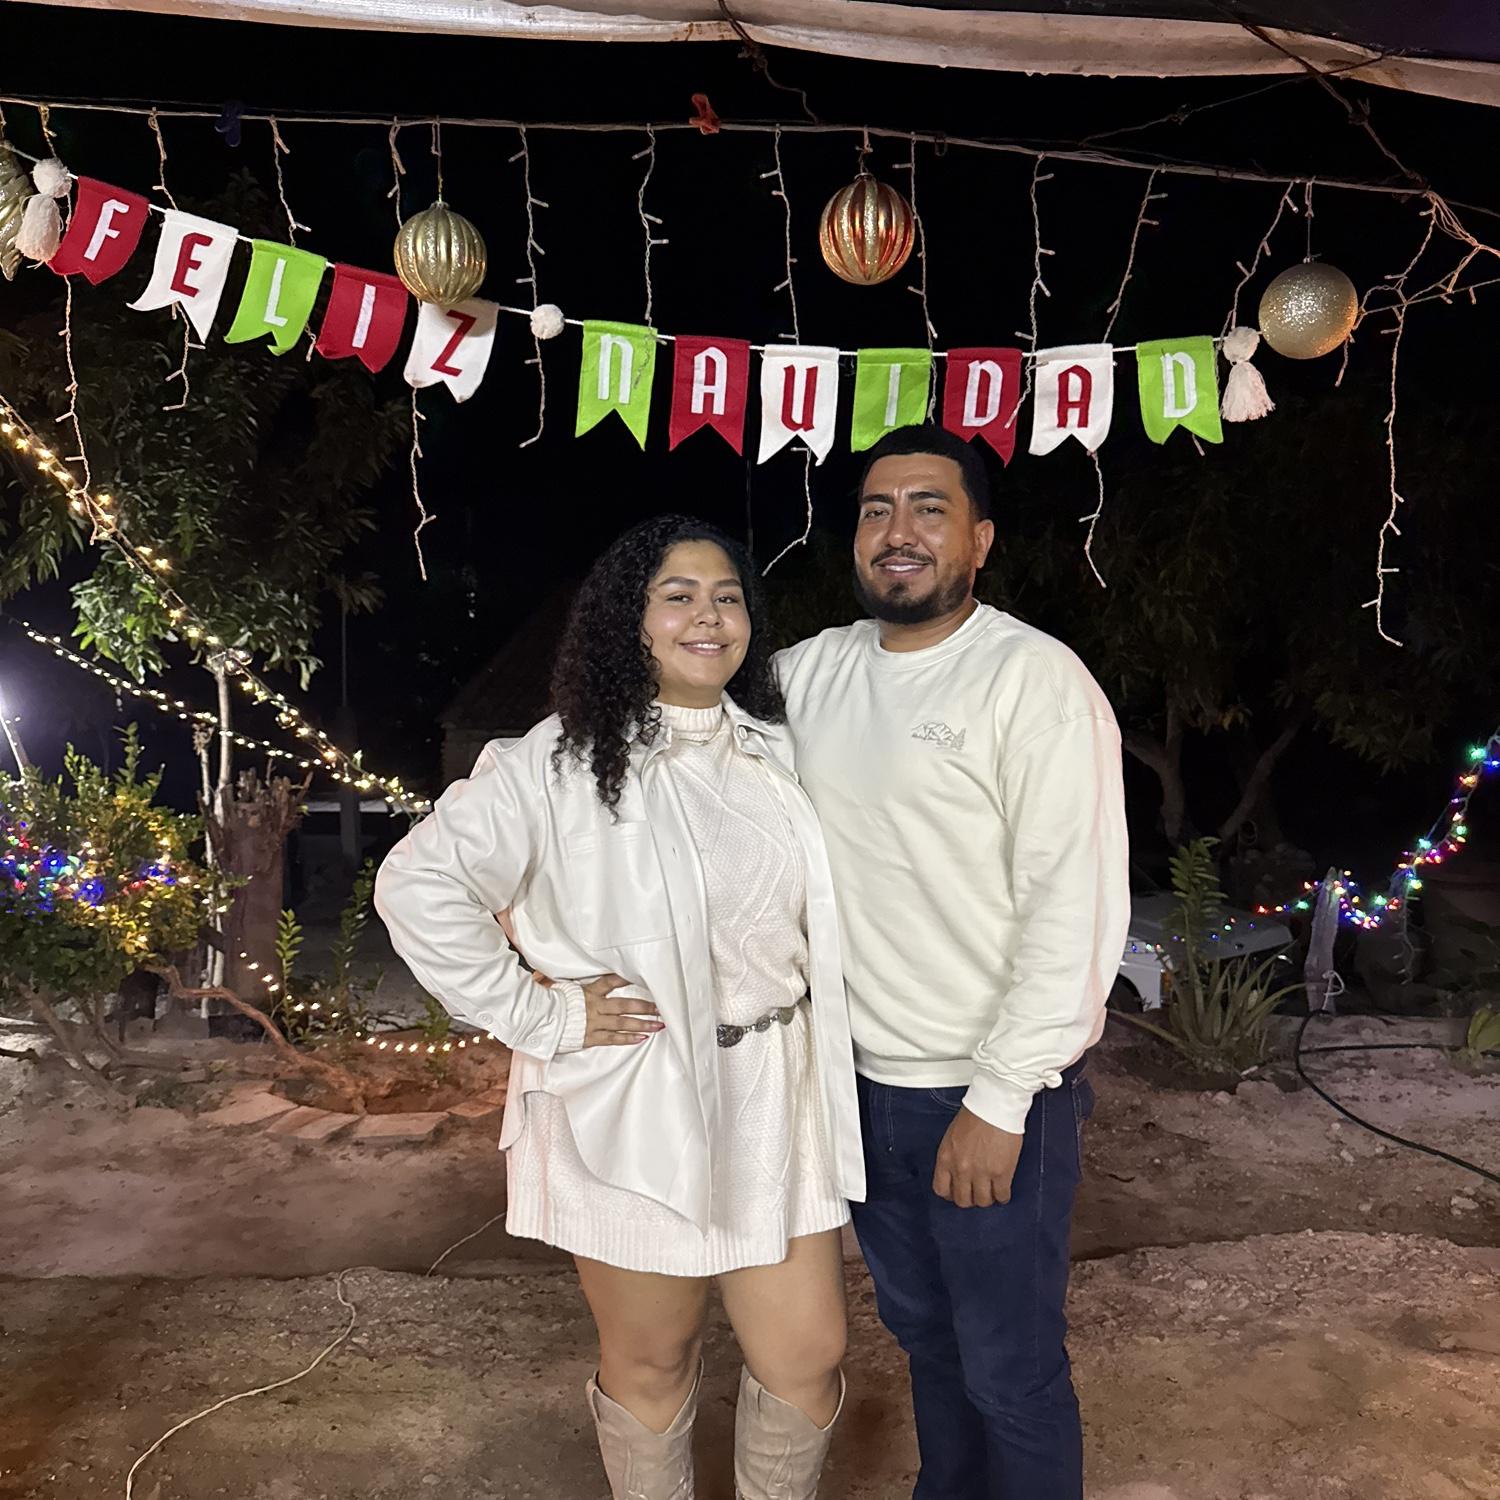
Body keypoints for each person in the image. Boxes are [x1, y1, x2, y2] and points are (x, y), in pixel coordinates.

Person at [375, 515, 863, 1500]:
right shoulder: (558, 761)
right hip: (639, 1097)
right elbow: (418, 885)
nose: (708, 616)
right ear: (626, 622)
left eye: (727, 597)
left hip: (778, 1093)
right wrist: (542, 1016)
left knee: (807, 1356)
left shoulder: (776, 753)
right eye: (677, 596)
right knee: (652, 1360)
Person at [774, 425, 1130, 1500]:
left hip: (984, 1095)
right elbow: (673, 725)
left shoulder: (1032, 681)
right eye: (877, 509)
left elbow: (1074, 906)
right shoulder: (811, 674)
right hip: (858, 1090)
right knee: (927, 1338)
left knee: (1010, 1367)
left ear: (979, 540)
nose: (900, 531)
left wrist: (1002, 1097)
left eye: (931, 508)